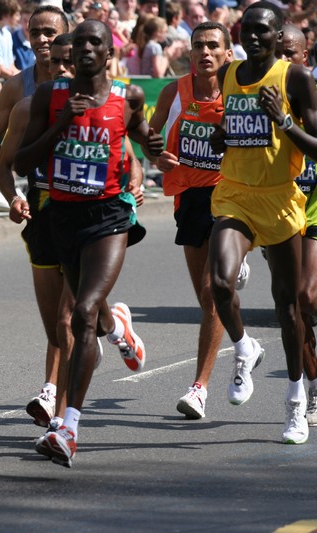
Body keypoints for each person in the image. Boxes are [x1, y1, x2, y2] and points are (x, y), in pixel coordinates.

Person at [15, 19, 162, 467]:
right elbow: (23, 161)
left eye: (94, 41)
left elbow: (136, 130)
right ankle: (116, 326)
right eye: (79, 42)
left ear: (108, 51)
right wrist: (62, 123)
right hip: (61, 216)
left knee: (78, 315)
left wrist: (152, 146)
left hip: (109, 216)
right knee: (91, 315)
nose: (85, 49)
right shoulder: (49, 96)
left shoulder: (126, 95)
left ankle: (69, 429)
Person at [208, 1, 317, 444]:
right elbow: (230, 132)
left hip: (280, 200)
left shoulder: (294, 78)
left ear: (278, 37)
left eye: (262, 31)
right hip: (234, 194)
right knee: (219, 282)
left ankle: (295, 402)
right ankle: (244, 347)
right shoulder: (228, 75)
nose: (252, 37)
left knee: (289, 308)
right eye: (246, 30)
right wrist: (221, 135)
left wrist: (283, 121)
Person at [148, 21, 233, 420]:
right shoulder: (174, 91)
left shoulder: (237, 93)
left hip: (229, 194)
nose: (205, 52)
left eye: (213, 46)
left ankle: (199, 387)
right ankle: (244, 340)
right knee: (206, 299)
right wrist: (156, 157)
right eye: (198, 45)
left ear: (227, 54)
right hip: (190, 198)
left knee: (213, 289)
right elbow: (148, 137)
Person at [0, 5, 68, 427]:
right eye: (36, 32)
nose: (43, 40)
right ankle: (116, 325)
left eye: (51, 33)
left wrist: (130, 182)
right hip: (40, 206)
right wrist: (11, 197)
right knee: (60, 314)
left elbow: (125, 151)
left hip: (89, 210)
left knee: (69, 315)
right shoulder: (17, 90)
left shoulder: (99, 91)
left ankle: (53, 395)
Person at [275, 25, 317, 427]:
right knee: (292, 302)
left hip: (316, 203)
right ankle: (311, 383)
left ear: (305, 56)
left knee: (306, 295)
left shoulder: (309, 90)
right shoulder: (262, 91)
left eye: (290, 54)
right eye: (278, 53)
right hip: (281, 203)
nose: (283, 61)